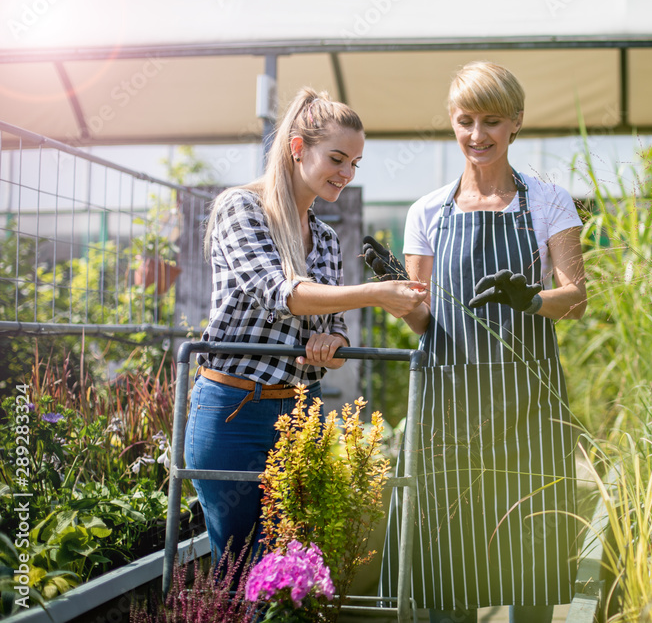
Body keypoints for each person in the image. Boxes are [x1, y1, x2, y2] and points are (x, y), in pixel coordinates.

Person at [373, 62, 586, 623]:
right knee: (449, 568)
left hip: (530, 409)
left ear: (516, 122)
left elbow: (577, 298)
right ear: (452, 121)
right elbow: (424, 322)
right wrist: (395, 290)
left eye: (492, 121)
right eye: (465, 120)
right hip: (450, 408)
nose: (477, 135)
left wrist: (532, 300)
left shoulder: (548, 202)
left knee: (532, 565)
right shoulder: (427, 213)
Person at [185, 87, 427, 566]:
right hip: (234, 412)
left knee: (296, 566)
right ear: (298, 147)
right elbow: (281, 293)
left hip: (299, 414)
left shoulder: (329, 239)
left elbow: (334, 329)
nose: (346, 172)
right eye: (337, 158)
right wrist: (376, 293)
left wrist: (332, 341)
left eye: (355, 163)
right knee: (240, 567)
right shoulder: (242, 208)